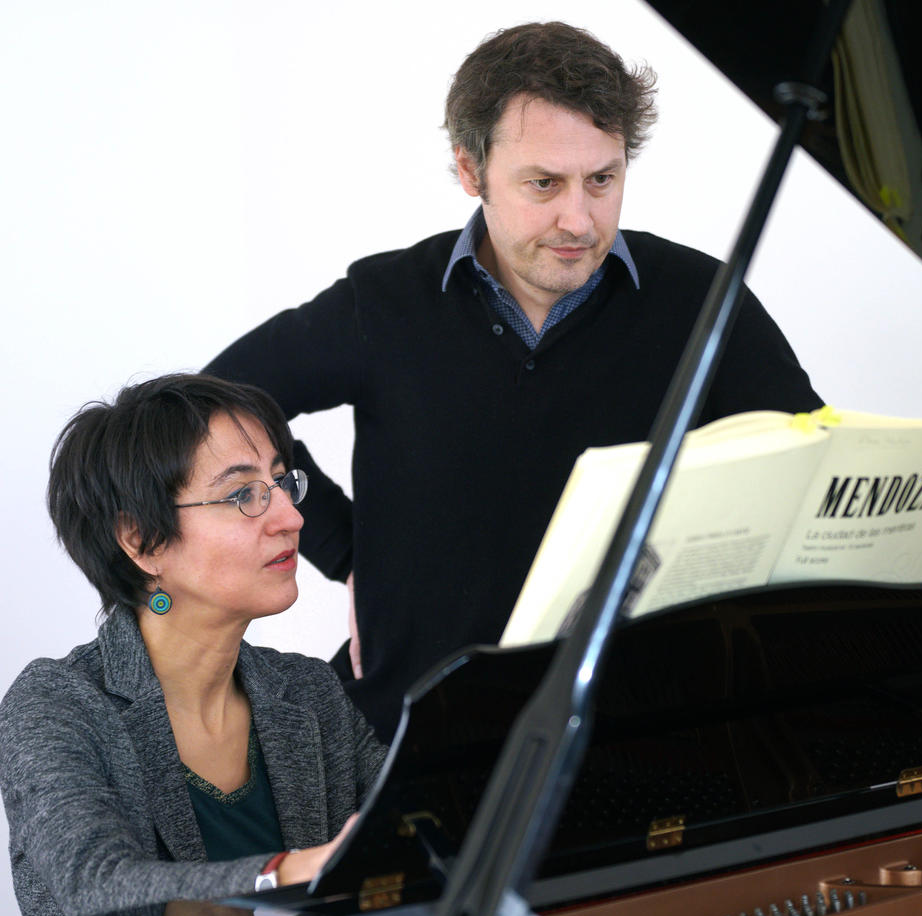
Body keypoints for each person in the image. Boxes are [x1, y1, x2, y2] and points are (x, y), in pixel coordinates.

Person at [206, 22, 823, 743]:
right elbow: (218, 399)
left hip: (632, 734)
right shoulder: (384, 300)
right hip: (411, 730)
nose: (579, 220)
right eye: (543, 184)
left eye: (603, 179)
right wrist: (345, 553)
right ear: (471, 172)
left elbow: (810, 472)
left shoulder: (701, 299)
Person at [0, 374, 386, 916]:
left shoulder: (307, 691)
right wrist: (289, 873)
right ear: (142, 542)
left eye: (281, 483)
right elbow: (96, 885)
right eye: (243, 495)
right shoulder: (56, 703)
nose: (290, 517)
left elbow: (414, 824)